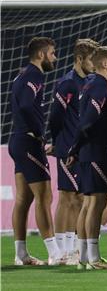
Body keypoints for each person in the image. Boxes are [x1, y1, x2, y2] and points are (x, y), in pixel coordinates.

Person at [10, 36, 63, 266]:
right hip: (29, 141)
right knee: (45, 196)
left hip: (17, 140)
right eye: (52, 53)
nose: (54, 57)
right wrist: (39, 131)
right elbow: (25, 105)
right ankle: (55, 252)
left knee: (24, 199)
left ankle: (21, 254)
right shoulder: (34, 75)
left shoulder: (21, 74)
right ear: (41, 55)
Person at [67, 46, 107, 269]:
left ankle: (83, 257)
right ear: (105, 64)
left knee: (89, 204)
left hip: (89, 151)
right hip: (96, 152)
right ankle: (94, 259)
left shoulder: (88, 83)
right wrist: (75, 148)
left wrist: (76, 149)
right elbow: (88, 119)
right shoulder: (98, 85)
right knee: (97, 203)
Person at [49, 38, 98, 264]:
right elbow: (56, 116)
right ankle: (61, 250)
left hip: (83, 148)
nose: (95, 64)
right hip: (67, 148)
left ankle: (73, 248)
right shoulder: (67, 83)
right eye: (91, 60)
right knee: (68, 198)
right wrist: (59, 143)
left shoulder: (89, 82)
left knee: (80, 198)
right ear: (79, 59)